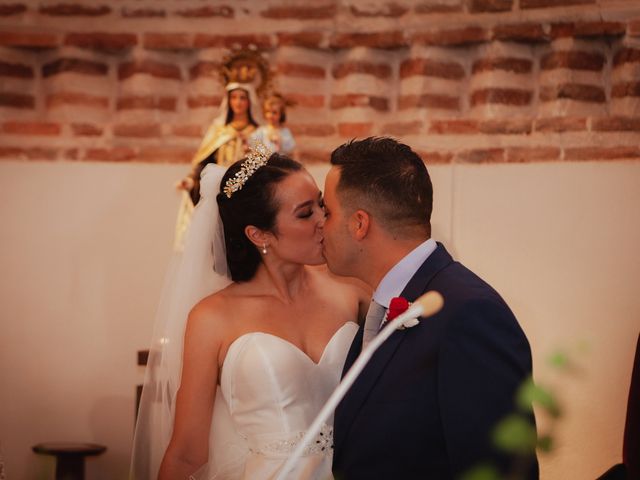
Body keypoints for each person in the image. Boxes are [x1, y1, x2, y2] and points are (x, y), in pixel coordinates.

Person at [131, 146, 368, 480]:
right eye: (305, 214)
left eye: (321, 205)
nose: (323, 222)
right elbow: (186, 453)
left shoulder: (352, 288)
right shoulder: (212, 318)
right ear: (259, 235)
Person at [321, 137, 539, 479]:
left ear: (359, 223)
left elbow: (501, 469)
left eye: (328, 212)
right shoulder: (383, 306)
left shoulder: (470, 314)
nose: (321, 226)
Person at [173, 82, 262, 251]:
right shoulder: (219, 130)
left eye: (242, 98)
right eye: (234, 98)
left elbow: (264, 163)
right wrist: (191, 181)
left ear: (249, 102)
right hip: (220, 190)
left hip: (247, 191)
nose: (238, 102)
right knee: (219, 240)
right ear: (228, 101)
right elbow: (204, 161)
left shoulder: (257, 132)